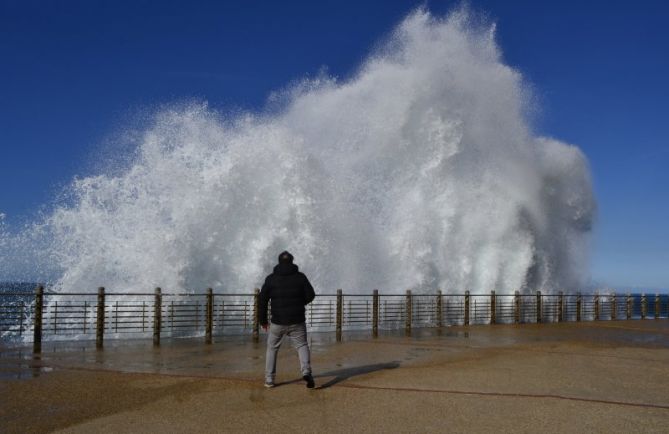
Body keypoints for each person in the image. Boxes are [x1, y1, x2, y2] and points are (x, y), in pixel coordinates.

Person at [259, 250, 316, 389]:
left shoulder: (271, 279)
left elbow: (262, 300)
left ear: (279, 262)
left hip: (277, 322)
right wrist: (299, 303)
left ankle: (269, 380)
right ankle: (306, 371)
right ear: (292, 261)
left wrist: (263, 321)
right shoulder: (300, 277)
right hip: (297, 320)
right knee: (302, 345)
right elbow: (311, 295)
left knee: (272, 348)